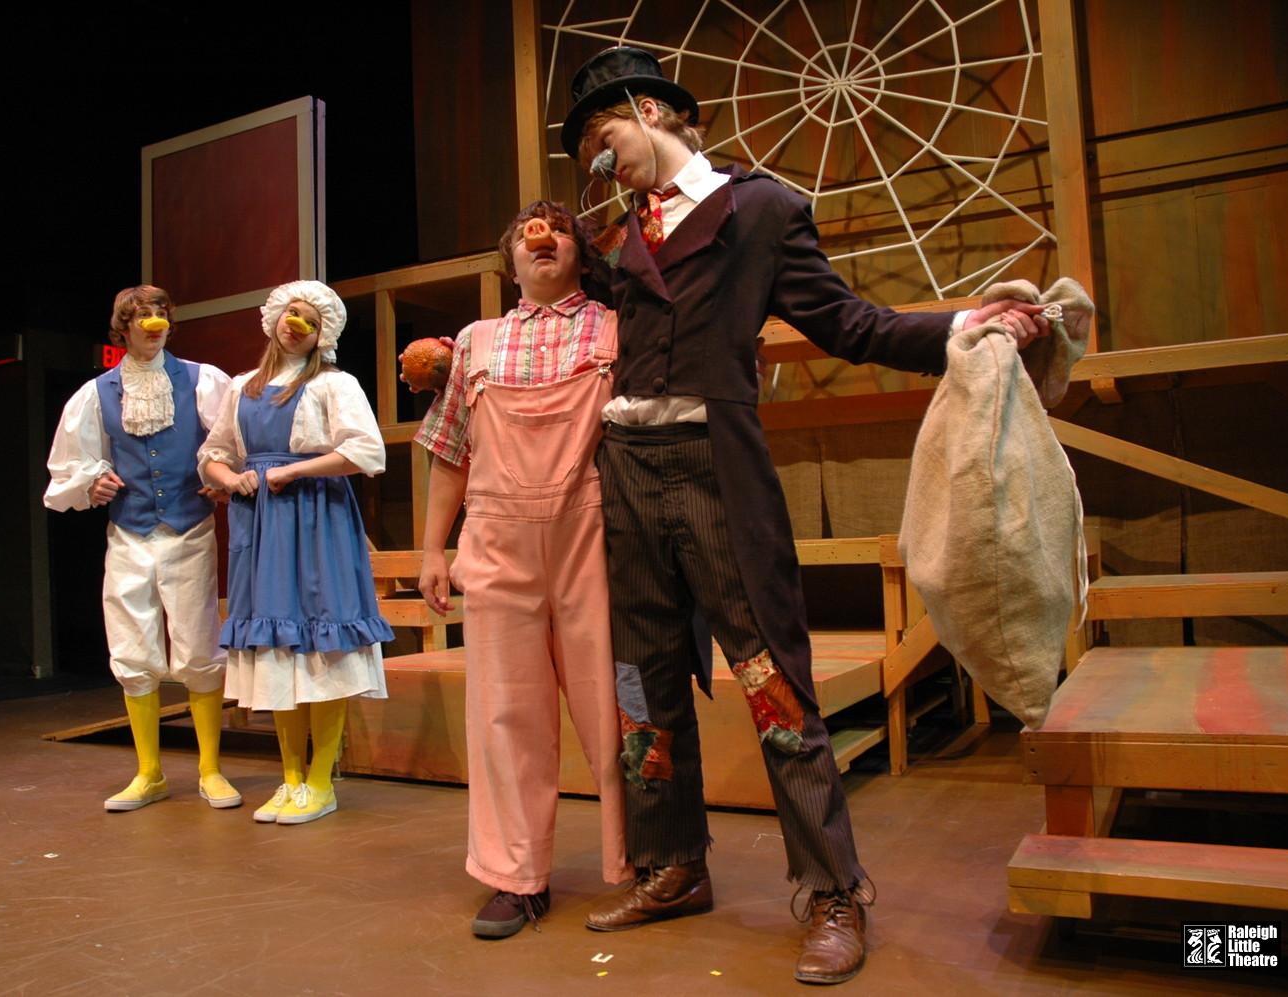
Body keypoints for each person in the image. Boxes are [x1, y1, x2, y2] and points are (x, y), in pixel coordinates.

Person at [563, 47, 1050, 985]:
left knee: (771, 679)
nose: (600, 159)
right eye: (587, 150)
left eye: (603, 134)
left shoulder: (761, 209)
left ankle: (833, 890)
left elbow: (847, 323)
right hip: (626, 472)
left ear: (651, 111)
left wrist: (961, 328)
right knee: (640, 681)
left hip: (713, 469)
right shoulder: (622, 237)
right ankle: (672, 864)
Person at [412, 202, 632, 939]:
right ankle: (515, 876)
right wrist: (433, 549)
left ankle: (639, 862)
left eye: (559, 229)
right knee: (505, 715)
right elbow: (451, 451)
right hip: (497, 542)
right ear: (509, 260)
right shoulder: (475, 343)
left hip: (590, 537)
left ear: (580, 253)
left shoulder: (615, 328)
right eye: (528, 232)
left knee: (612, 706)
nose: (543, 238)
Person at [199, 280, 392, 826]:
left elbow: (365, 451)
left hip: (315, 516)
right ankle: (290, 779)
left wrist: (296, 470)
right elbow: (213, 453)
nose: (296, 324)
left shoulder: (334, 384)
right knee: (278, 647)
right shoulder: (242, 387)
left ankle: (321, 780)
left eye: (310, 319)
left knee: (320, 643)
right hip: (261, 522)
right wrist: (230, 479)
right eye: (291, 313)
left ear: (321, 334)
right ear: (275, 319)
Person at [44, 285, 240, 812]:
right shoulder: (97, 393)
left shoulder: (202, 379)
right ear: (123, 328)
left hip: (188, 529)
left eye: (160, 314)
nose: (153, 324)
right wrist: (92, 483)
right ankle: (149, 773)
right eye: (142, 316)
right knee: (132, 647)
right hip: (129, 533)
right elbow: (70, 463)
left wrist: (220, 477)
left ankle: (210, 770)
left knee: (198, 645)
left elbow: (229, 441)